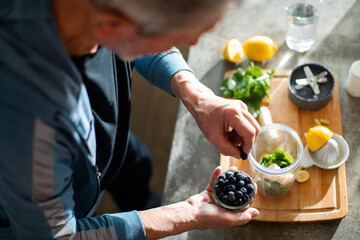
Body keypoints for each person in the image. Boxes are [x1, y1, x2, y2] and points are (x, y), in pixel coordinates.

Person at [0, 0, 260, 239]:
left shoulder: (95, 13)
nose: (189, 44)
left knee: (135, 163)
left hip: (95, 151)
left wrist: (197, 95)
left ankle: (142, 200)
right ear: (110, 27)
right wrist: (188, 214)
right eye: (177, 36)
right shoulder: (31, 127)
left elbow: (143, 37)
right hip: (47, 202)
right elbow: (59, 236)